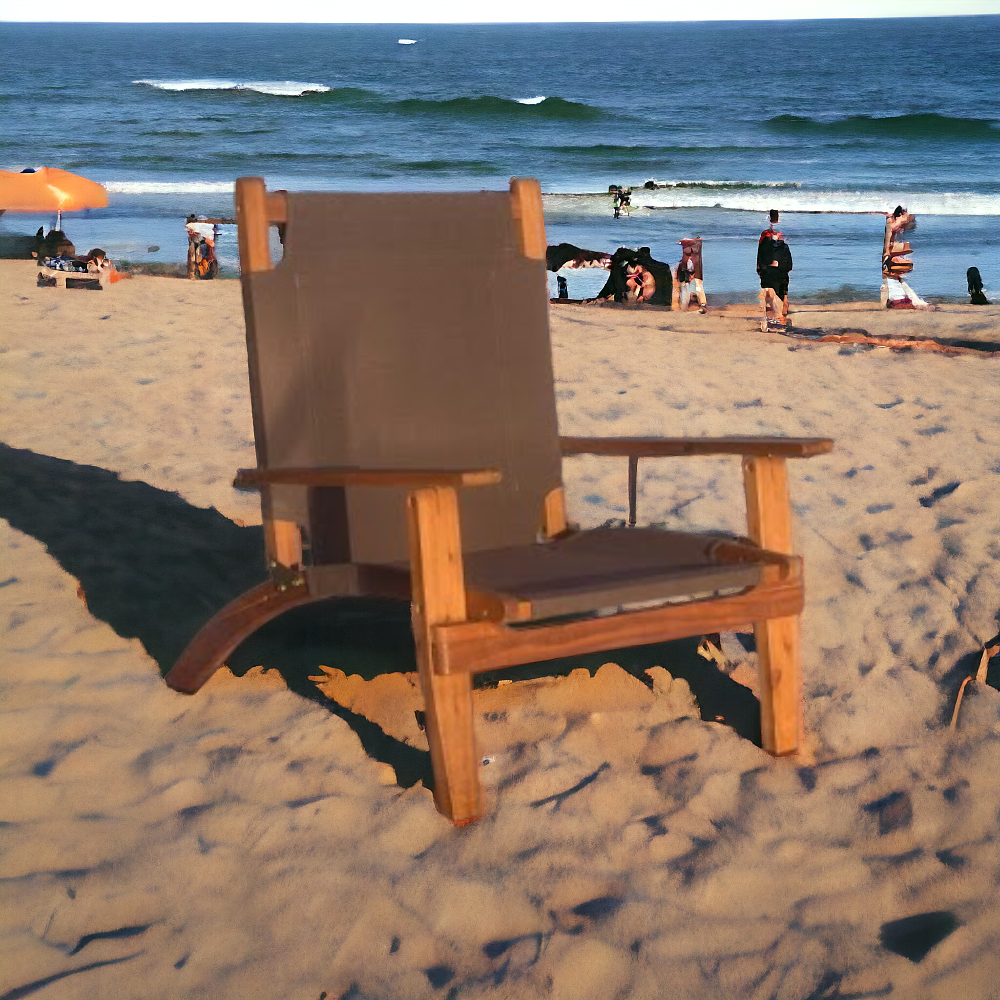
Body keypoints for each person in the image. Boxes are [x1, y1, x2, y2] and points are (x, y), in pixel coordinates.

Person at [880, 206, 931, 310]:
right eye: (904, 214)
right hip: (891, 255)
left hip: (892, 254)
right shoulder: (892, 224)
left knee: (897, 278)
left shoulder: (894, 224)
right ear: (900, 215)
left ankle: (900, 299)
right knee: (895, 277)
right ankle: (899, 299)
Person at [757, 212, 792, 330]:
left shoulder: (767, 235)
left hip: (773, 267)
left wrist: (760, 266)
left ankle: (777, 318)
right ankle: (775, 319)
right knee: (774, 294)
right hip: (773, 267)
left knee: (776, 295)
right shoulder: (768, 235)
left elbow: (761, 250)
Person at [676, 238, 706, 313]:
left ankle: (685, 307)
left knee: (692, 286)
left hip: (690, 275)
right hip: (689, 274)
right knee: (692, 287)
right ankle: (700, 305)